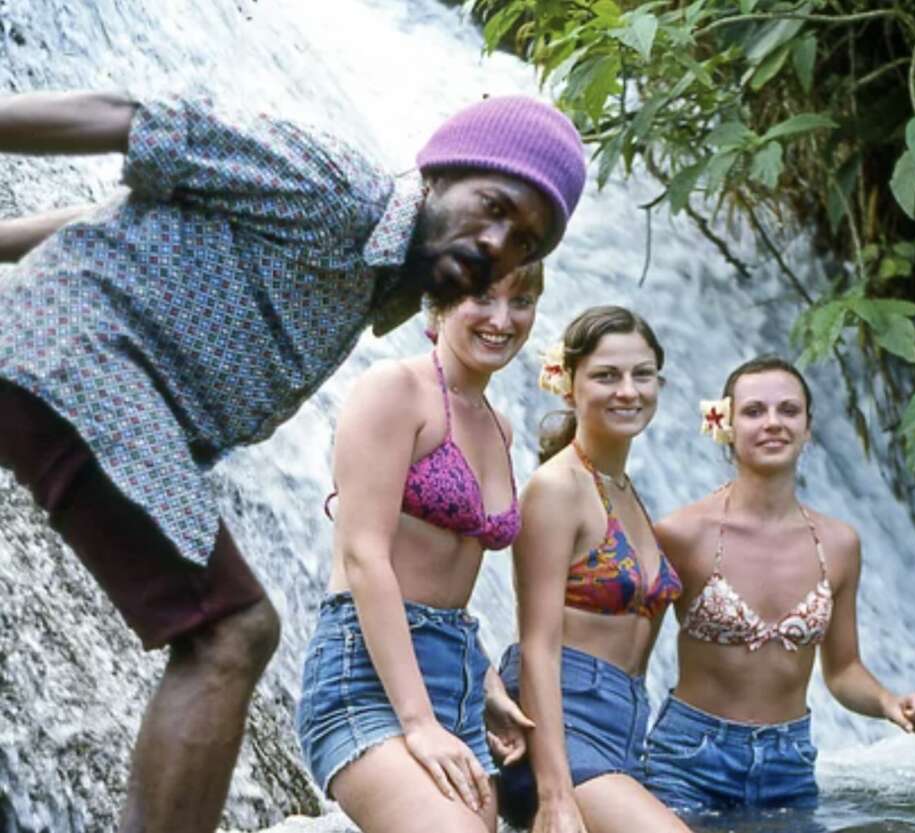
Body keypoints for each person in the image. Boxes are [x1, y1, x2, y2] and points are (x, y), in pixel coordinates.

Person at [0, 90, 585, 833]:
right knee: (232, 632)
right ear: (441, 172)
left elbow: (145, 216)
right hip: (71, 359)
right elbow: (140, 123)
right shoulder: (338, 191)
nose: (497, 244)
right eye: (493, 205)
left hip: (70, 371)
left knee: (228, 630)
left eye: (526, 243)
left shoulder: (370, 280)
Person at [296, 260, 545, 832]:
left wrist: (483, 683)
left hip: (454, 686)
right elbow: (364, 556)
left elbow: (449, 581)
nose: (502, 319)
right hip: (367, 682)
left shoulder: (500, 428)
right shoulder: (394, 390)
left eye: (522, 300)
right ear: (439, 302)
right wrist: (417, 720)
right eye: (482, 295)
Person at [644, 356, 915, 815]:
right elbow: (632, 661)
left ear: (808, 428)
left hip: (789, 764)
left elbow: (842, 670)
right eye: (755, 411)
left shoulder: (839, 544)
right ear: (726, 425)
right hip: (689, 761)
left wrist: (888, 701)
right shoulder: (681, 536)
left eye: (789, 411)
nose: (773, 423)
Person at [496, 306, 692, 833]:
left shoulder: (623, 490)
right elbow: (538, 644)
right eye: (606, 375)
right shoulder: (558, 488)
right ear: (567, 384)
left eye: (641, 374)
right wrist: (554, 796)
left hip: (624, 732)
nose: (627, 391)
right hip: (561, 730)